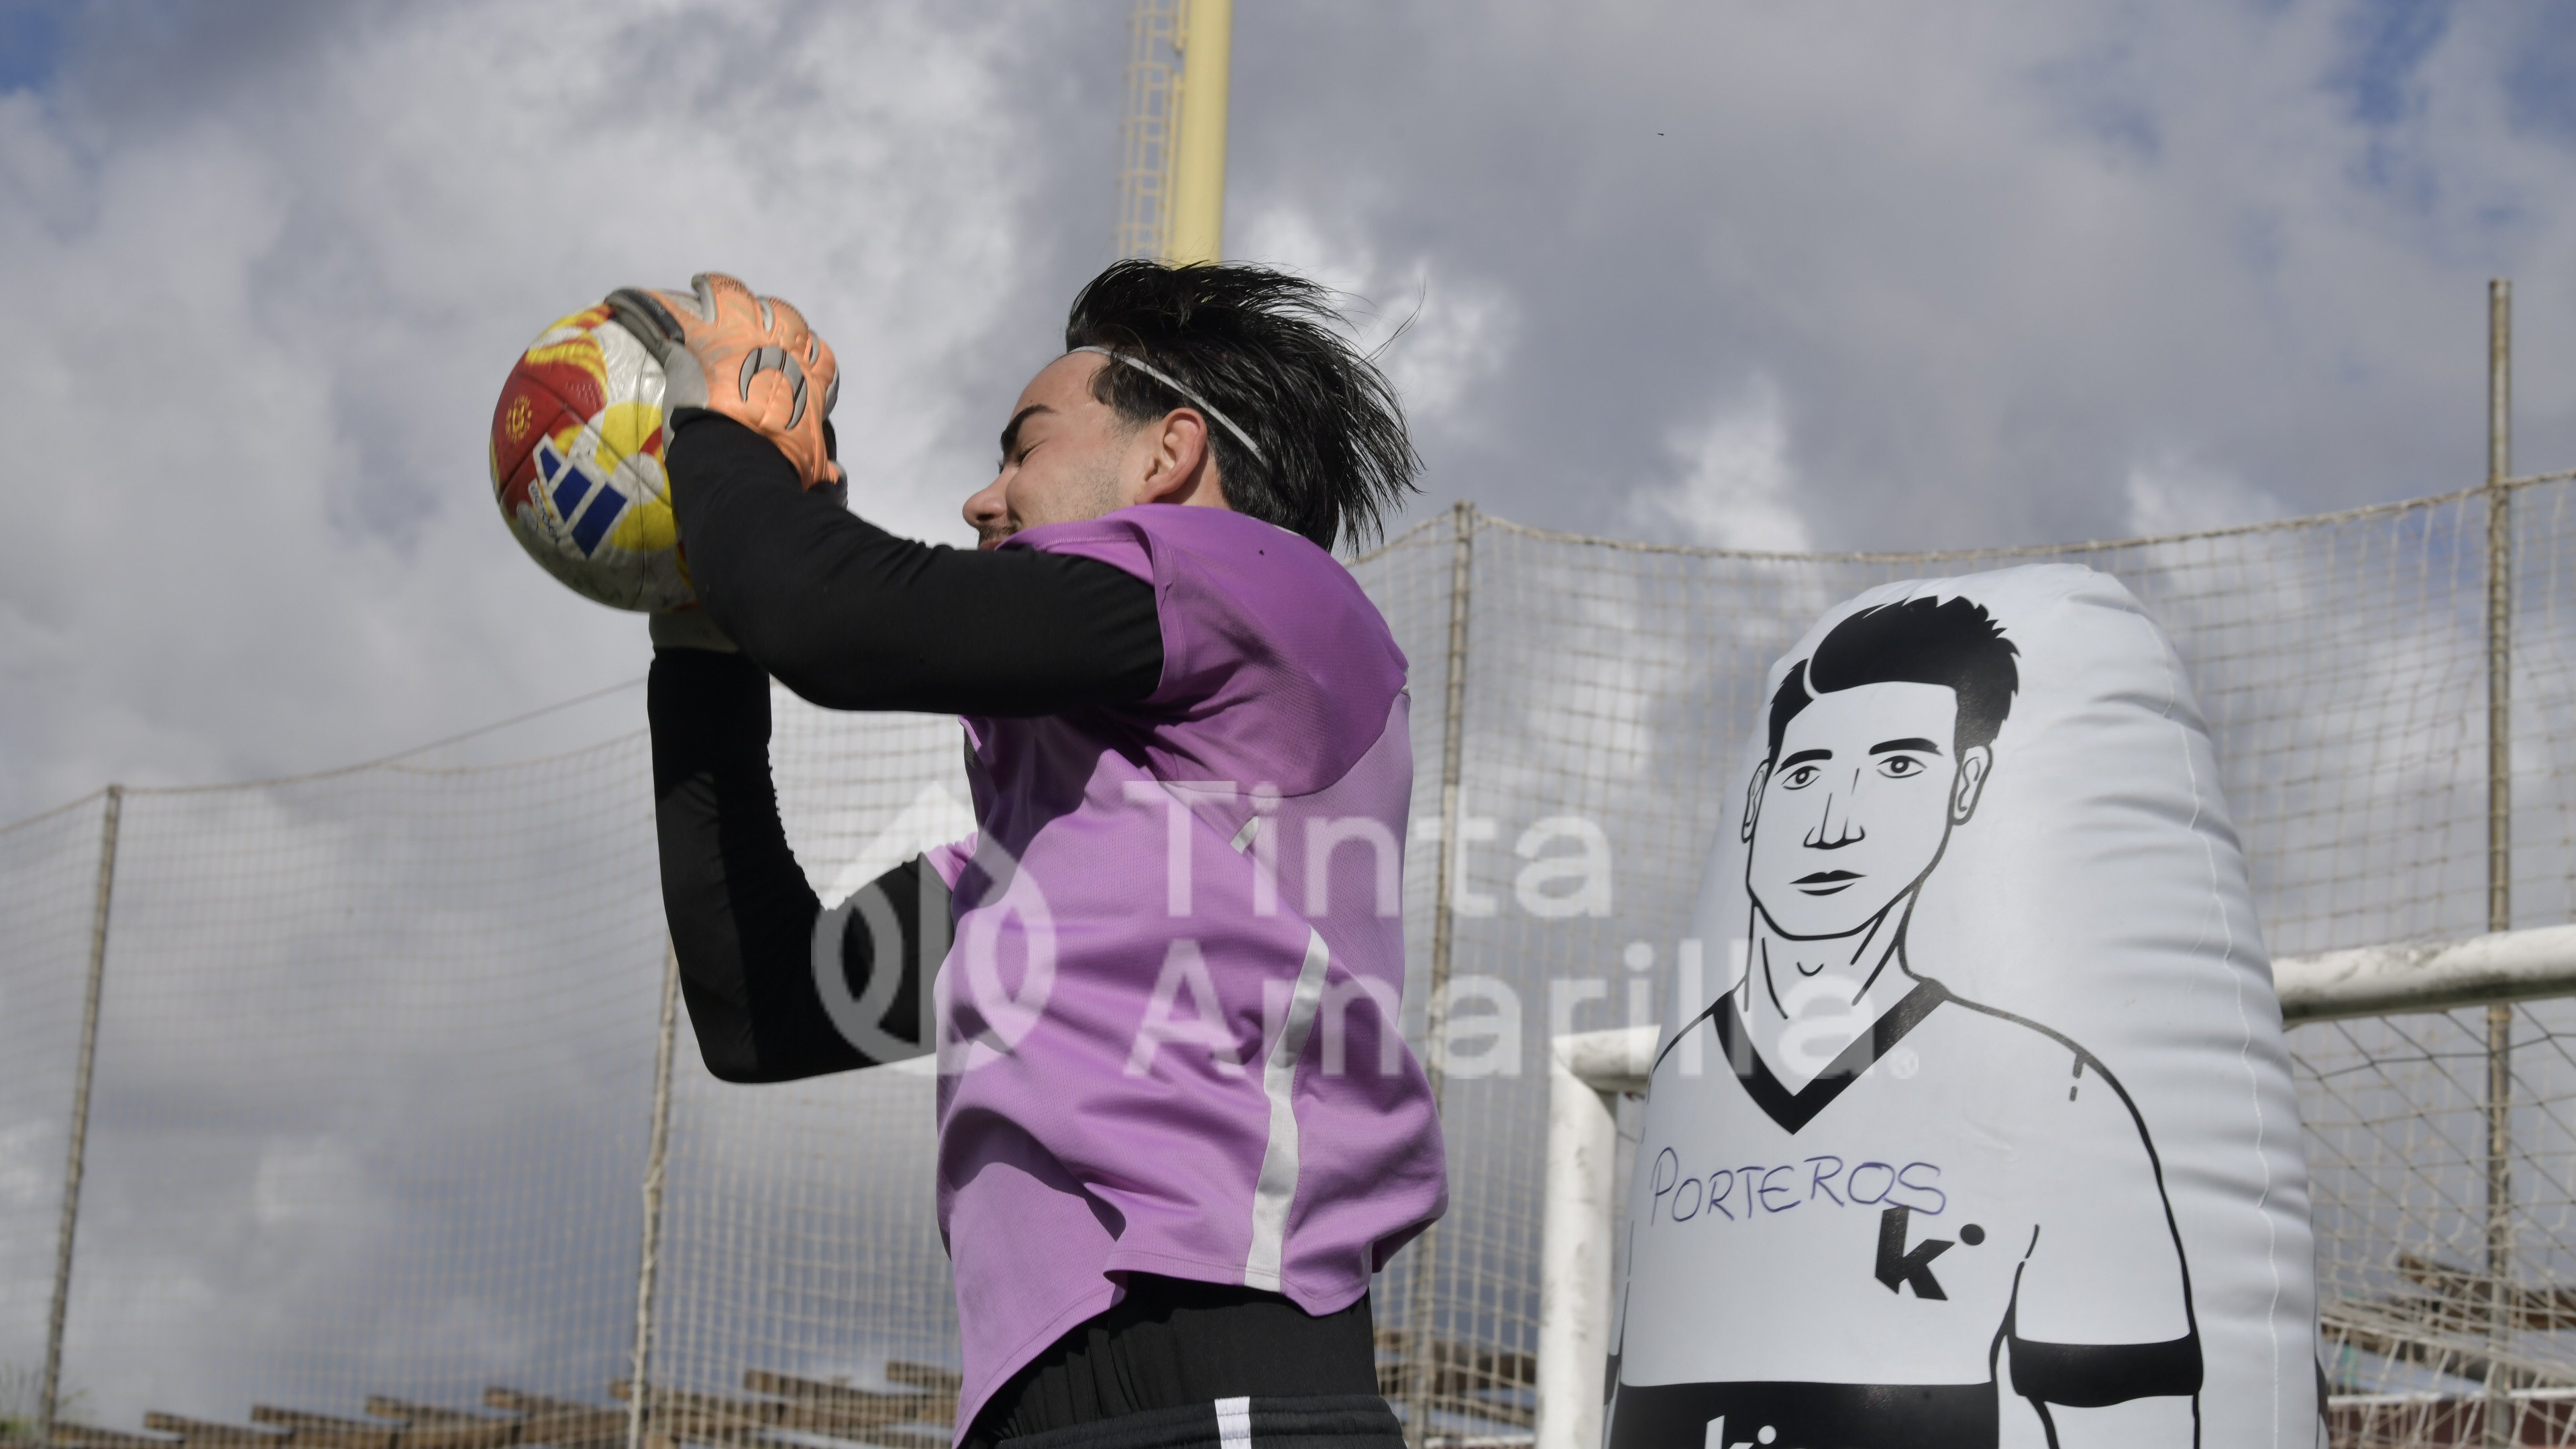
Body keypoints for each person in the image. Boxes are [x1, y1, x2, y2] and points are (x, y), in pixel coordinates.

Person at [624, 262, 1446, 1449]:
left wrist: (725, 428)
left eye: (1024, 448)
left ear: (1169, 456)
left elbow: (840, 622)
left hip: (1226, 1386)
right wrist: (701, 649)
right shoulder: (1041, 870)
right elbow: (766, 1010)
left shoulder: (1268, 588)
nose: (981, 497)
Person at [1606, 596, 2200, 1449]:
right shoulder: (1684, 1078)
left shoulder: (2055, 1093)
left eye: (1897, 767)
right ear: (1755, 800)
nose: (1832, 824)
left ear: (1965, 788)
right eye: (1806, 772)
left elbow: (2130, 1416)